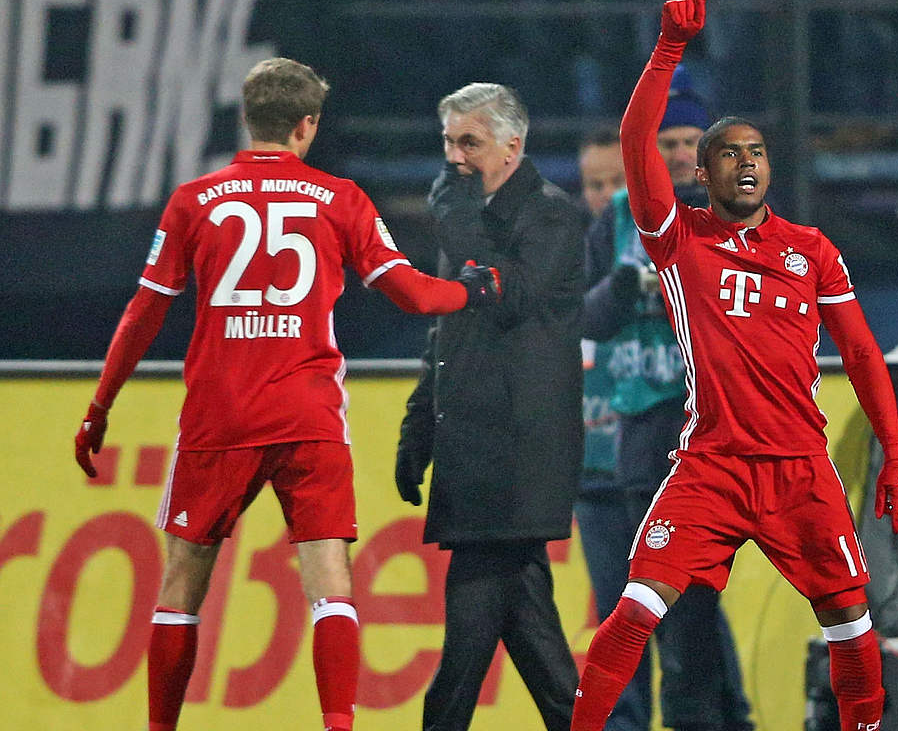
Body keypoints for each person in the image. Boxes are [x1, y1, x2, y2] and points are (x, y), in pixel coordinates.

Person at [71, 57, 500, 731]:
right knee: (329, 579)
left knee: (182, 581)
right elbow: (413, 294)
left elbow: (143, 312)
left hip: (220, 416)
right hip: (308, 413)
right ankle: (338, 725)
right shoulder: (341, 199)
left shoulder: (192, 201)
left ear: (250, 119)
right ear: (307, 126)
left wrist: (100, 407)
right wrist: (473, 289)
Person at [570, 0, 898, 731]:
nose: (744, 162)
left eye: (755, 151)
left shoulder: (810, 250)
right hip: (712, 465)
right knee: (634, 611)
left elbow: (860, 351)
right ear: (702, 174)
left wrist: (894, 450)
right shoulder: (679, 240)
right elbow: (635, 144)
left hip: (800, 468)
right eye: (726, 154)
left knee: (852, 625)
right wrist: (667, 50)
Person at [393, 82, 586, 731]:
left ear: (513, 145)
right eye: (448, 142)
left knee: (468, 650)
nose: (454, 159)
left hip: (516, 451)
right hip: (472, 448)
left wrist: (455, 220)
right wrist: (418, 427)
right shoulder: (470, 214)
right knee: (525, 631)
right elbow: (447, 331)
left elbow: (511, 296)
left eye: (469, 143)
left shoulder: (551, 216)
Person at [577, 68, 754, 731]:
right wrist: (627, 284)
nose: (681, 154)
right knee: (637, 611)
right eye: (670, 142)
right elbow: (586, 318)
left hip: (707, 439)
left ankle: (717, 722)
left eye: (691, 142)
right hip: (638, 440)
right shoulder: (621, 218)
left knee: (689, 614)